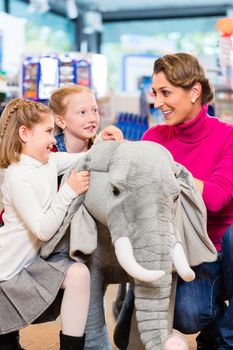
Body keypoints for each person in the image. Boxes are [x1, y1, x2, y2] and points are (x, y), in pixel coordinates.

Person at [115, 52, 233, 350]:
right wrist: (120, 154)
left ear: (194, 92)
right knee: (187, 315)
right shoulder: (153, 137)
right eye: (155, 93)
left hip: (220, 249)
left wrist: (168, 170)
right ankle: (215, 332)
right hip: (178, 249)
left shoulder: (227, 136)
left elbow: (216, 198)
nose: (157, 103)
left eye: (166, 92)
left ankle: (225, 340)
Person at [0, 97, 122, 350]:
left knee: (78, 274)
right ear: (24, 133)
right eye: (47, 131)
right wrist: (68, 190)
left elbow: (86, 158)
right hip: (6, 274)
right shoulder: (17, 176)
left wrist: (105, 142)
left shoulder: (49, 162)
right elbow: (43, 229)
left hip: (29, 264)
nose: (53, 139)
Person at [48, 84, 123, 350]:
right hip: (61, 239)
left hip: (102, 238)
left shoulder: (103, 147)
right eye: (81, 112)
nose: (91, 117)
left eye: (94, 110)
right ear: (60, 120)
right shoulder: (50, 153)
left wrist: (117, 149)